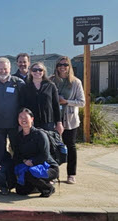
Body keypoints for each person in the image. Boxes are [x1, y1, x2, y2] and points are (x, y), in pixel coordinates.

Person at [49, 56, 84, 184]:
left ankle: (71, 174)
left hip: (69, 120)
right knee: (52, 148)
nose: (62, 67)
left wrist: (66, 102)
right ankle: (51, 174)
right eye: (60, 65)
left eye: (65, 65)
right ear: (56, 67)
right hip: (53, 119)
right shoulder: (51, 80)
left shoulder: (76, 82)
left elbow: (82, 102)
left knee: (70, 146)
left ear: (69, 66)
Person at [14, 108, 59, 197]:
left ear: (32, 119)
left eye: (26, 117)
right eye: (20, 117)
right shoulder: (18, 136)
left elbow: (45, 155)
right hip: (27, 166)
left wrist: (33, 162)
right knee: (20, 191)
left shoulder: (40, 134)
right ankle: (37, 184)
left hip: (48, 167)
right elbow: (17, 155)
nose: (23, 120)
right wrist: (24, 161)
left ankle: (48, 188)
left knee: (31, 174)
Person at [21, 62, 63, 134]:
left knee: (47, 144)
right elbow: (22, 106)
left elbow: (56, 105)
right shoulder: (25, 87)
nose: (37, 72)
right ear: (30, 72)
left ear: (43, 72)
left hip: (48, 123)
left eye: (40, 70)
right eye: (34, 70)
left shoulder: (51, 86)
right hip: (31, 122)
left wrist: (59, 123)